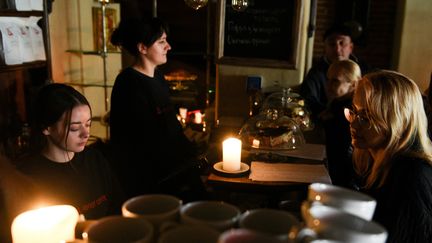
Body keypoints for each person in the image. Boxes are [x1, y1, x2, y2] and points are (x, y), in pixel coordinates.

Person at [109, 17, 207, 201]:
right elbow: (142, 142)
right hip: (151, 179)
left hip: (171, 166)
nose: (168, 46)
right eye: (161, 41)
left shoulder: (159, 77)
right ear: (142, 48)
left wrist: (194, 146)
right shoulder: (129, 83)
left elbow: (169, 125)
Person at [345, 70, 432, 242]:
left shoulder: (412, 175)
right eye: (354, 111)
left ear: (396, 120)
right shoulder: (373, 160)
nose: (353, 123)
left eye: (367, 117)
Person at [16, 83, 124, 220]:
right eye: (74, 128)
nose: (86, 134)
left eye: (88, 124)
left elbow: (118, 208)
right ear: (46, 128)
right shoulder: (29, 178)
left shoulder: (95, 159)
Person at [300, 24, 371, 121]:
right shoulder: (316, 71)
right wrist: (328, 112)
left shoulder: (364, 69)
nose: (337, 49)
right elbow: (307, 98)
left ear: (350, 47)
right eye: (332, 44)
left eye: (342, 43)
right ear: (325, 47)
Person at [320, 60, 361, 188]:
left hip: (342, 177)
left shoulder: (352, 111)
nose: (328, 85)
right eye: (328, 79)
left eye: (335, 81)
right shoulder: (337, 102)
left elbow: (343, 151)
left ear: (353, 84)